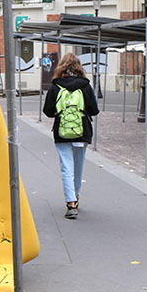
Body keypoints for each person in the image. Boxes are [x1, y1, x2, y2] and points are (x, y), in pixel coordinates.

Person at [43, 53, 99, 219]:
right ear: (79, 67)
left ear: (61, 67)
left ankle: (71, 202)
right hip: (82, 131)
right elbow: (94, 110)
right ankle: (76, 195)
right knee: (78, 165)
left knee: (66, 167)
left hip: (62, 131)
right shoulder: (86, 86)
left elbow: (47, 112)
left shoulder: (55, 86)